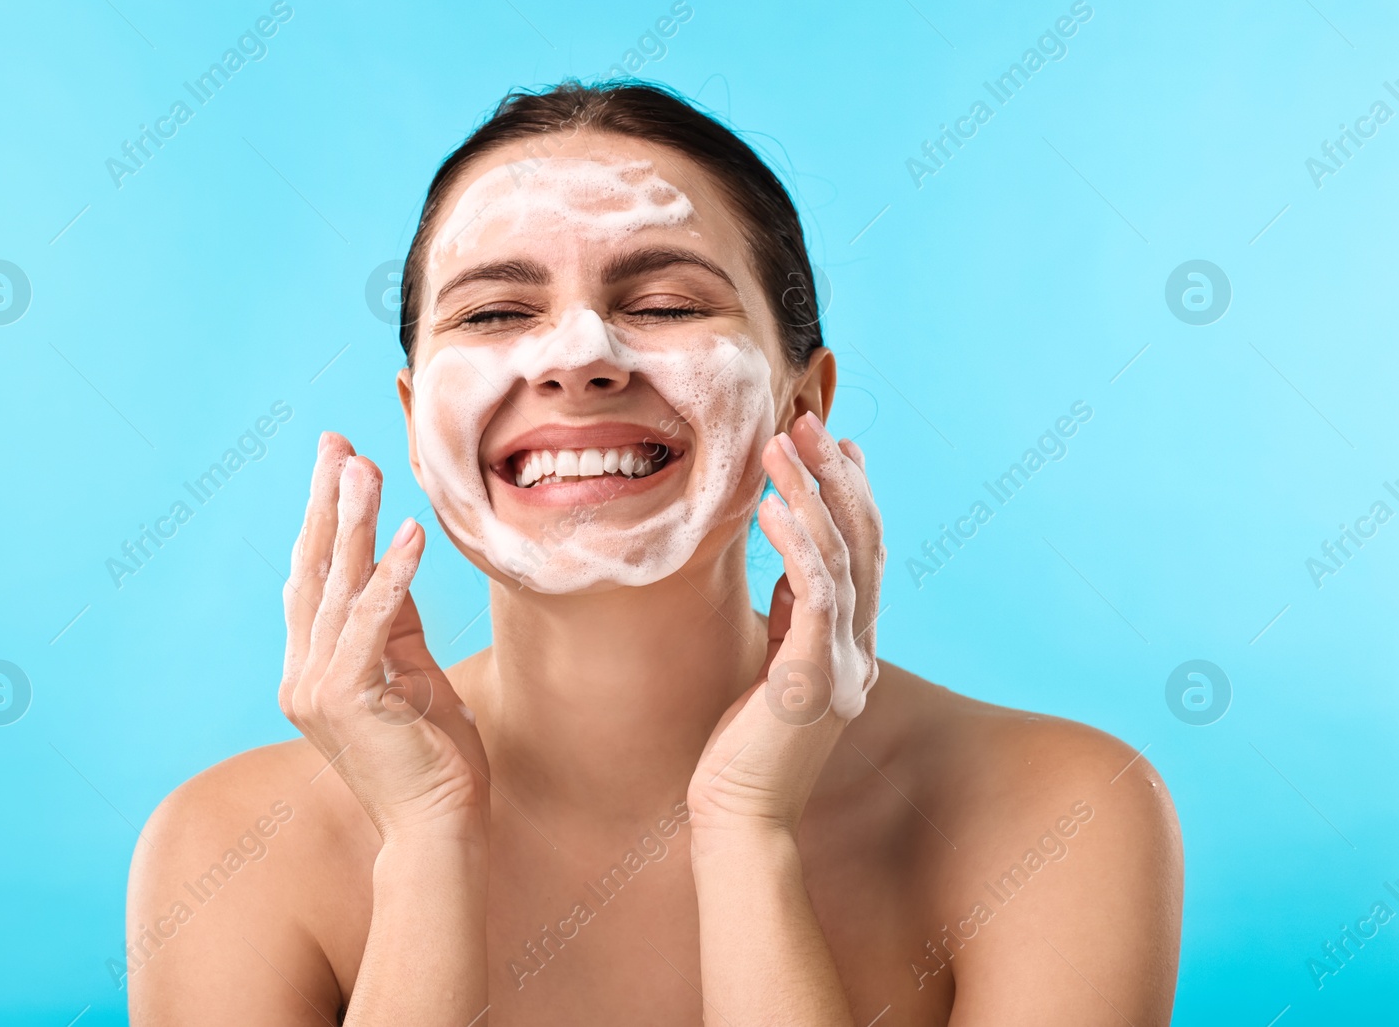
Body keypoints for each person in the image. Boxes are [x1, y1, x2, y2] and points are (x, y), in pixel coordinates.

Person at [126, 80, 1182, 1026]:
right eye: (496, 310)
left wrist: (745, 833)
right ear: (413, 419)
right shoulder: (226, 851)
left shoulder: (1058, 811)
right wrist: (426, 845)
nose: (578, 356)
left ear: (801, 398)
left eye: (666, 303)